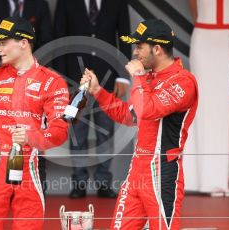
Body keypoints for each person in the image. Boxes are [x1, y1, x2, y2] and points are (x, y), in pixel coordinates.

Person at [81, 19, 198, 229]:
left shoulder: (183, 81)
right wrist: (98, 91)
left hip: (163, 170)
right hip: (137, 168)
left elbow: (149, 110)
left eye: (139, 47)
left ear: (157, 49)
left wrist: (138, 76)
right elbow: (129, 116)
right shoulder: (148, 79)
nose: (135, 53)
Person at [0, 16, 69, 229]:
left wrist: (32, 137)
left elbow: (60, 131)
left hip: (32, 171)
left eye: (3, 43)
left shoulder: (52, 81)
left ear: (23, 43)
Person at [54, 0, 131, 199]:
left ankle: (103, 182)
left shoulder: (118, 3)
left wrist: (123, 75)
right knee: (77, 133)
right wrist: (61, 79)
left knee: (106, 132)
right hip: (74, 77)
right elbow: (59, 38)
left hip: (107, 78)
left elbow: (124, 37)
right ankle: (79, 182)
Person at [0, 0, 53, 194]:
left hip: (32, 79)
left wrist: (26, 66)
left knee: (36, 134)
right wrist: (5, 64)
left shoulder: (40, 4)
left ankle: (34, 189)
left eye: (3, 43)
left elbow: (47, 39)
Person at [184, 0, 229, 196]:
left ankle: (225, 179)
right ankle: (202, 178)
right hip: (203, 39)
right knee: (203, 108)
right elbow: (196, 11)